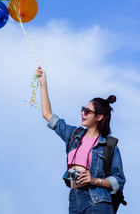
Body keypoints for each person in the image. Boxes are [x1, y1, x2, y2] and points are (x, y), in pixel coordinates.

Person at [36, 66, 126, 214]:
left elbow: (119, 179)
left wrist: (94, 180)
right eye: (83, 109)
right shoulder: (73, 135)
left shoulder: (109, 146)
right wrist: (43, 82)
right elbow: (48, 115)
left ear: (99, 117)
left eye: (87, 111)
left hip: (97, 199)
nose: (82, 113)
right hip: (74, 199)